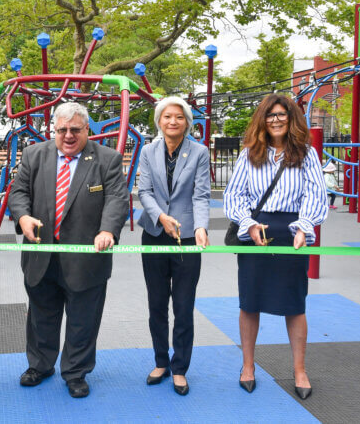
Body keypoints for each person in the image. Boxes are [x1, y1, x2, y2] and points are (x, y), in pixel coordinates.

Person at [8, 102, 129, 398]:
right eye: (62, 130)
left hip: (87, 258)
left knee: (83, 319)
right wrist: (22, 217)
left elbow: (117, 199)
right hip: (41, 253)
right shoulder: (34, 155)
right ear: (54, 129)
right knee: (41, 316)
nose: (69, 136)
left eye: (75, 129)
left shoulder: (108, 159)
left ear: (87, 129)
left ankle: (76, 372)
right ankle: (40, 365)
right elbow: (19, 192)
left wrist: (107, 230)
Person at [223, 94, 327, 400]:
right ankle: (247, 366)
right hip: (255, 229)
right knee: (250, 301)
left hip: (292, 231)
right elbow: (234, 196)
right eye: (270, 115)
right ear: (262, 120)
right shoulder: (249, 154)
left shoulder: (306, 154)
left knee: (294, 304)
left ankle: (299, 369)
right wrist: (248, 223)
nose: (276, 119)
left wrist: (304, 226)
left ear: (291, 118)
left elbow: (315, 195)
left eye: (282, 114)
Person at [136, 97, 210, 395]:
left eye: (179, 117)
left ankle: (180, 367)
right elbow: (144, 191)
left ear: (187, 121)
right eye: (167, 116)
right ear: (159, 120)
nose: (173, 122)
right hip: (154, 232)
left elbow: (201, 194)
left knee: (183, 305)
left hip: (187, 234)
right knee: (156, 304)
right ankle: (161, 361)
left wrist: (202, 226)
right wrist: (161, 216)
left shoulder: (199, 152)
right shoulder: (147, 150)